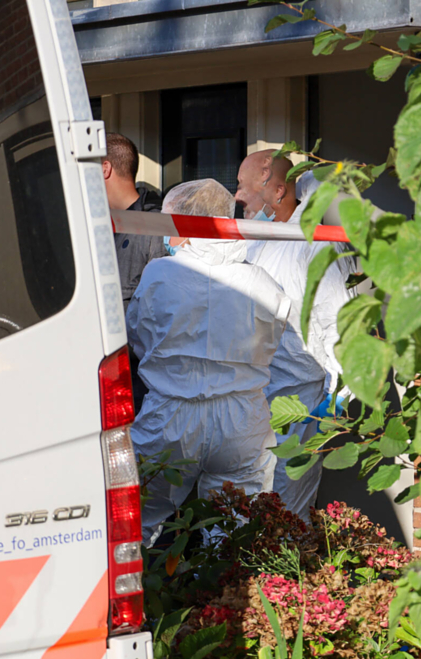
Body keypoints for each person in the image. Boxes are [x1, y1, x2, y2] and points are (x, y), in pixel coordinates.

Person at [126, 179, 293, 546]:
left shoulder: (159, 275)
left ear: (184, 225)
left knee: (135, 524)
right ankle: (227, 603)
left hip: (170, 418)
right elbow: (273, 341)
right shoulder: (262, 282)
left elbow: (137, 337)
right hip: (242, 420)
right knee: (236, 532)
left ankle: (138, 601)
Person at [235, 150, 357, 520]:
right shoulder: (260, 238)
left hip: (300, 402)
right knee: (249, 507)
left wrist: (338, 399)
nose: (237, 195)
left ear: (276, 188)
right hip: (257, 398)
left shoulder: (315, 244)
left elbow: (339, 325)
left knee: (287, 511)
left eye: (242, 185)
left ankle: (290, 578)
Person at [102, 132, 167, 414]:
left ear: (105, 169)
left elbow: (164, 319)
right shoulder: (95, 229)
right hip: (105, 383)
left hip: (143, 394)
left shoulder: (155, 228)